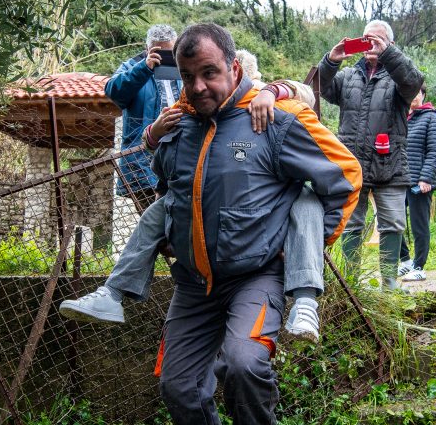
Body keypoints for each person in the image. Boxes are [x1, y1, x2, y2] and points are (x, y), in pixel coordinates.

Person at [154, 23, 361, 425]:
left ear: (234, 67)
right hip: (193, 287)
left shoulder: (273, 120)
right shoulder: (179, 127)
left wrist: (302, 250)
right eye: (188, 76)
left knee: (245, 365)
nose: (198, 86)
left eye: (209, 73)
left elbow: (345, 177)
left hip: (256, 277)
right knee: (178, 386)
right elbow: (164, 186)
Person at [59, 68, 329, 340]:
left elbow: (304, 95)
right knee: (157, 212)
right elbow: (169, 143)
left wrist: (271, 92)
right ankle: (113, 292)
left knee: (307, 203)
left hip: (265, 227)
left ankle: (305, 301)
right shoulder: (208, 109)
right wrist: (153, 133)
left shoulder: (274, 109)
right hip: (207, 224)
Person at [317, 20, 424, 290]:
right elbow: (318, 87)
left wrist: (387, 54)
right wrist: (331, 61)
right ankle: (351, 284)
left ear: (391, 44)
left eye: (377, 39)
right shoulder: (348, 76)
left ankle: (389, 284)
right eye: (366, 38)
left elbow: (413, 81)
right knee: (351, 224)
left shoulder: (398, 78)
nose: (370, 43)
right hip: (352, 164)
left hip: (390, 165)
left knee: (393, 224)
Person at [105, 24, 181, 210]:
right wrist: (144, 68)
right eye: (159, 52)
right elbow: (113, 92)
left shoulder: (184, 68)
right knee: (155, 221)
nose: (165, 57)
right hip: (142, 163)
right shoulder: (133, 67)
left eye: (170, 52)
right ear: (148, 49)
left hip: (180, 159)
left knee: (177, 219)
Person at [398, 83, 436, 281]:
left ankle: (419, 267)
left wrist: (426, 178)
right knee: (393, 221)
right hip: (398, 179)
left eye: (418, 92)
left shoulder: (433, 118)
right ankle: (405, 261)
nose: (414, 96)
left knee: (419, 225)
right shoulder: (401, 117)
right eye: (411, 92)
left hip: (420, 182)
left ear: (424, 95)